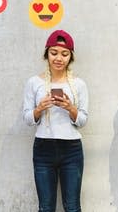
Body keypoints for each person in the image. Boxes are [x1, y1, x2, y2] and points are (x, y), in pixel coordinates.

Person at [22, 29, 89, 212]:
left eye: (64, 54)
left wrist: (70, 107)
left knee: (73, 207)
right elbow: (27, 118)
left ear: (70, 57)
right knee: (45, 207)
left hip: (72, 149)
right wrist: (39, 109)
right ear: (46, 54)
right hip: (43, 148)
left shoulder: (79, 84)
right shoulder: (34, 83)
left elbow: (82, 120)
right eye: (54, 53)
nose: (58, 58)